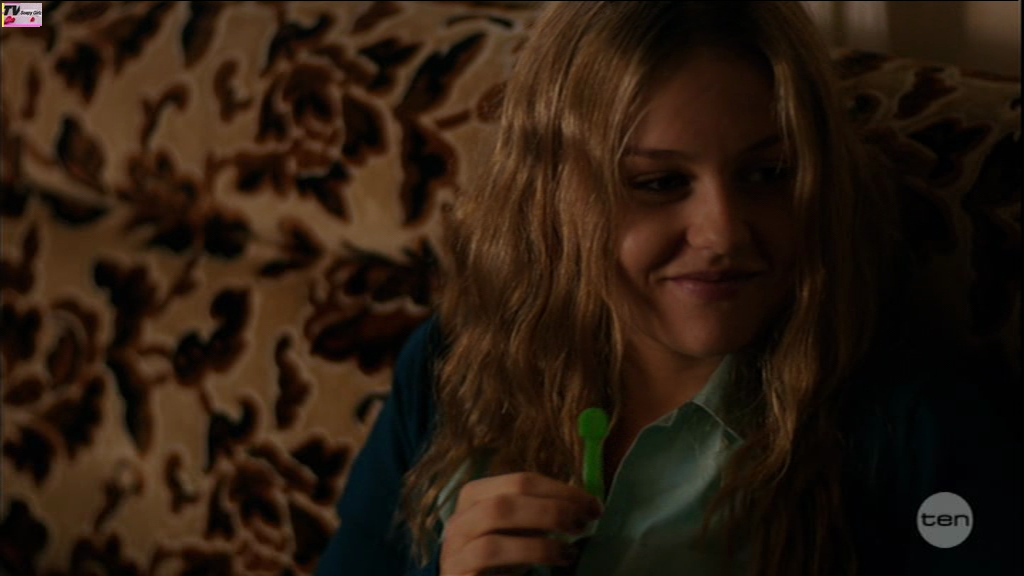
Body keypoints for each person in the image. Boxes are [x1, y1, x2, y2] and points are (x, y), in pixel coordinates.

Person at [315, 2, 1020, 575]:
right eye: (658, 183)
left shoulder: (913, 424)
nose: (724, 232)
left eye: (768, 175)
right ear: (552, 196)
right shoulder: (453, 365)